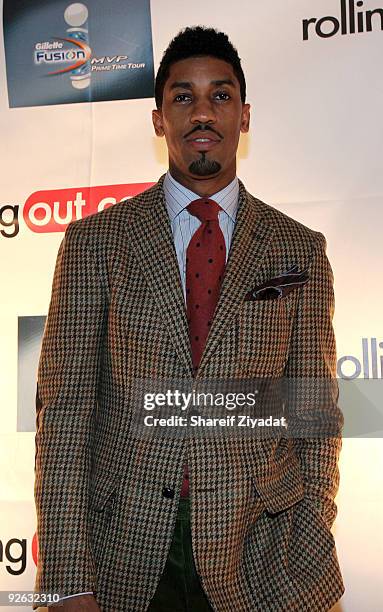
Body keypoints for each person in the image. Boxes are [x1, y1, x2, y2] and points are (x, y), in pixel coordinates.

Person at [34, 26, 345, 612]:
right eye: (184, 97)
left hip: (259, 552)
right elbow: (66, 411)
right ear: (159, 120)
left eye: (220, 96)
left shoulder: (300, 249)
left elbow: (313, 414)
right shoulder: (94, 242)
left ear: (244, 116)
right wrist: (65, 580)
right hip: (121, 545)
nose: (203, 113)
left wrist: (307, 563)